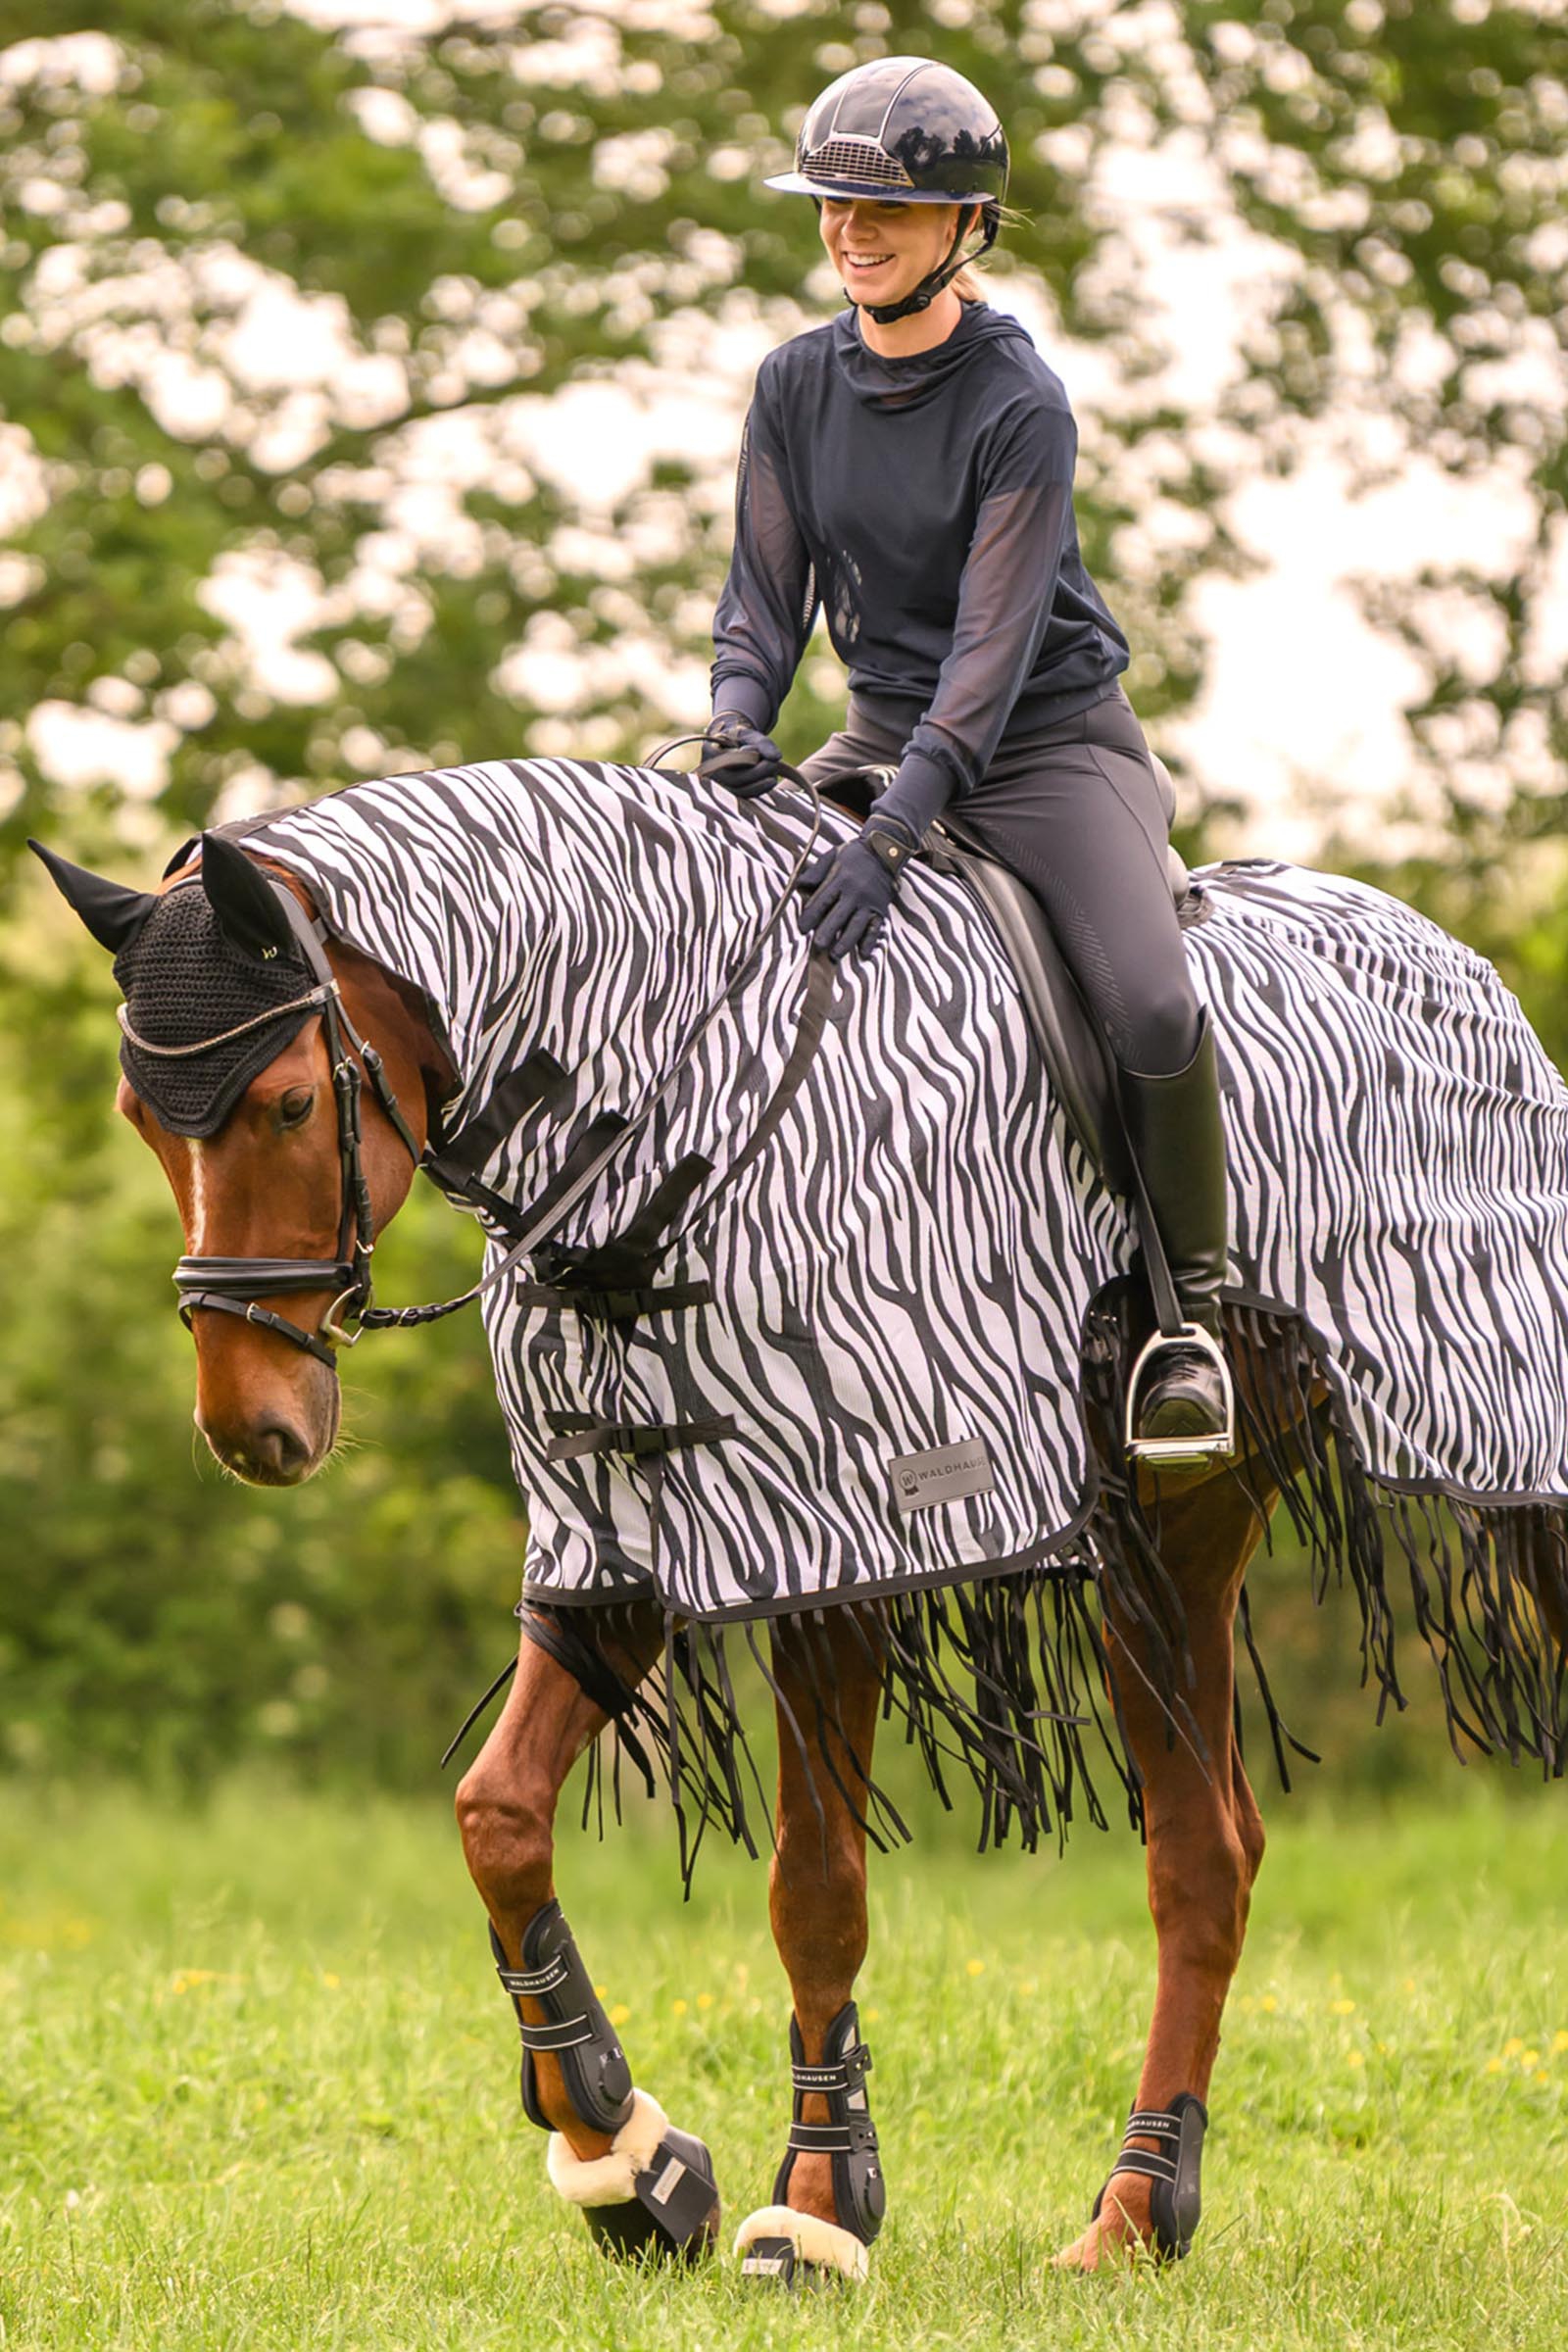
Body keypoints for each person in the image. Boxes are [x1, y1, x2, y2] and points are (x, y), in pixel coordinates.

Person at [704, 55, 1231, 1458]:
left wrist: (891, 835)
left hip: (1047, 751)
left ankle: (1191, 1317)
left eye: (884, 209)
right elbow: (763, 598)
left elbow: (991, 657)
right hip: (881, 734)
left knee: (1154, 1008)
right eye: (832, 206)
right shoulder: (792, 382)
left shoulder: (1020, 403)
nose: (849, 231)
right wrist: (738, 721)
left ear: (966, 224)